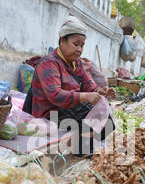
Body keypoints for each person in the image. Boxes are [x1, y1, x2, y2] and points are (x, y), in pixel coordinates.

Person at [24, 16, 116, 156]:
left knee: (107, 123)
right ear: (62, 41)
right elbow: (56, 95)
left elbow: (88, 84)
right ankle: (81, 148)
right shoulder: (49, 63)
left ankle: (83, 144)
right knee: (97, 122)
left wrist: (101, 91)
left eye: (82, 45)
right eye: (76, 44)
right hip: (51, 112)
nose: (79, 49)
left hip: (69, 107)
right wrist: (85, 97)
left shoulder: (76, 63)